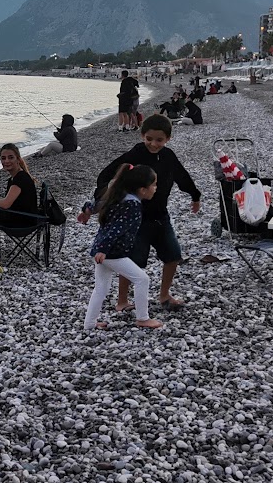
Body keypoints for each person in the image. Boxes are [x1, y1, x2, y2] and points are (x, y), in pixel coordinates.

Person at [92, 115, 202, 311]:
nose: (153, 143)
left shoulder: (168, 156)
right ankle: (122, 301)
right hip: (135, 219)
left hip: (161, 216)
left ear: (168, 139)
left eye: (159, 140)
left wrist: (195, 195)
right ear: (143, 135)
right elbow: (106, 173)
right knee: (132, 260)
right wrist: (101, 196)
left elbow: (182, 176)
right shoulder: (136, 153)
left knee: (173, 255)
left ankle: (164, 295)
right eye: (149, 138)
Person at [85, 165, 163, 330]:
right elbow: (117, 228)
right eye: (154, 185)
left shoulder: (118, 196)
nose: (156, 188)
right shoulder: (132, 205)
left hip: (103, 250)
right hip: (112, 253)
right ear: (142, 190)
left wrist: (85, 210)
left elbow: (95, 204)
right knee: (142, 279)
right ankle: (143, 318)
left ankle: (90, 324)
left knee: (101, 288)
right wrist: (104, 250)